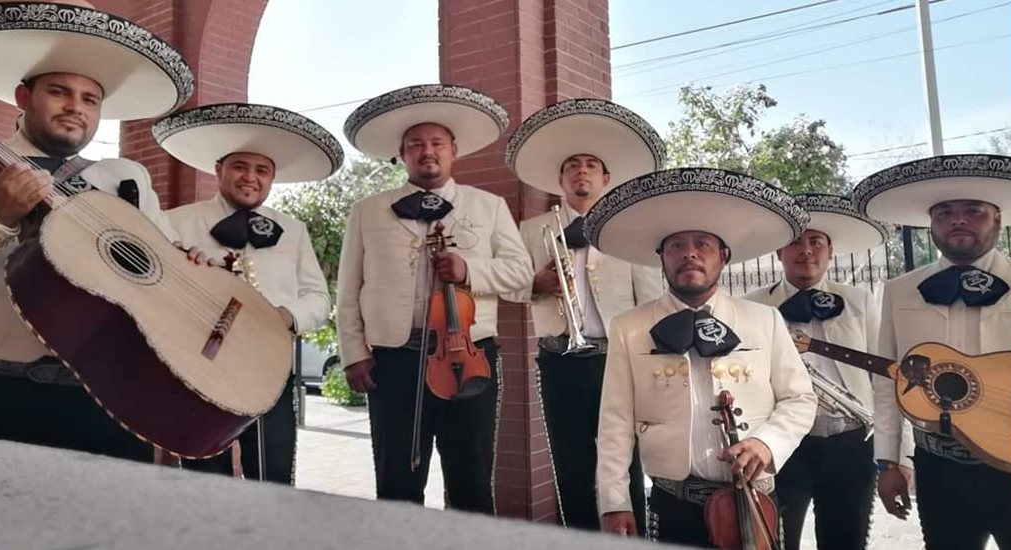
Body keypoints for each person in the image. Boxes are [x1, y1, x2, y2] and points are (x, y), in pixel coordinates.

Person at [0, 1, 193, 461]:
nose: (75, 108)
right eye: (59, 92)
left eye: (90, 100)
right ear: (24, 99)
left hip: (114, 388)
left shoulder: (128, 176)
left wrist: (189, 266)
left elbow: (166, 263)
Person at [587, 167, 816, 546]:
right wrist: (613, 500)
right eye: (676, 245)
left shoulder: (765, 319)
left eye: (703, 244)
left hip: (752, 498)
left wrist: (767, 444)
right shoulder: (629, 327)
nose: (689, 253)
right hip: (671, 500)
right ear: (661, 258)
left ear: (724, 257)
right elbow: (614, 420)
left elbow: (801, 399)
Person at [337, 84, 531, 513]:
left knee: (472, 480)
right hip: (394, 360)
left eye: (437, 143)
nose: (428, 151)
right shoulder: (367, 211)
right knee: (396, 481)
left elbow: (521, 276)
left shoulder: (489, 206)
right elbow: (348, 290)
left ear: (453, 151)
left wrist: (469, 271)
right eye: (416, 145)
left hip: (470, 358)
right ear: (402, 155)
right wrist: (353, 351)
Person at [155, 102, 340, 483]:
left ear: (272, 179)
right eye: (240, 166)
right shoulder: (174, 222)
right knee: (205, 477)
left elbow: (319, 300)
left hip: (269, 368)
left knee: (273, 473)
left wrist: (289, 316)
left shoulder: (293, 229)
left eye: (262, 171)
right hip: (201, 368)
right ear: (219, 169)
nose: (250, 178)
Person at [504, 97, 666, 530]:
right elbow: (510, 286)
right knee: (569, 459)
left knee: (623, 458)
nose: (581, 171)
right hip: (558, 356)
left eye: (591, 164)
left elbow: (650, 302)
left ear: (606, 177)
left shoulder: (625, 229)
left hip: (616, 358)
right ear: (560, 178)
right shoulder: (530, 230)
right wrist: (535, 284)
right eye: (572, 165)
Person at [853, 153, 1011, 549]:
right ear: (931, 223)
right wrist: (888, 462)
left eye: (973, 210)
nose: (957, 220)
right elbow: (886, 385)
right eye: (944, 212)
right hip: (938, 464)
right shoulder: (899, 291)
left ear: (997, 217)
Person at [742, 193, 890, 550]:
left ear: (830, 250)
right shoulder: (751, 305)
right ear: (778, 252)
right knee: (775, 541)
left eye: (816, 241)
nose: (805, 249)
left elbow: (884, 377)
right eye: (794, 241)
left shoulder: (860, 300)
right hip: (782, 445)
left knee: (846, 541)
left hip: (851, 443)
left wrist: (893, 454)